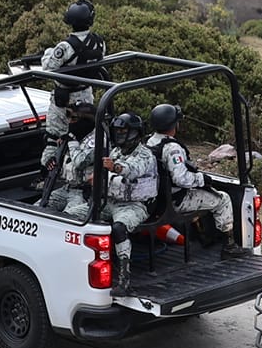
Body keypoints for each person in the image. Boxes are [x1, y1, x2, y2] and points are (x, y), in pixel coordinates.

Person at [63, 113, 156, 278]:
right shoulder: (116, 151)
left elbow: (132, 170)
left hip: (135, 205)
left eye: (124, 131)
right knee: (68, 217)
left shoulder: (145, 155)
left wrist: (115, 168)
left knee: (119, 229)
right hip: (109, 201)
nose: (120, 134)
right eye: (117, 131)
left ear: (135, 132)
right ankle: (74, 263)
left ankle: (124, 277)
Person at [147, 103, 236, 253]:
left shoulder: (149, 142)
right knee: (223, 199)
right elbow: (181, 179)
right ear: (173, 125)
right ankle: (230, 246)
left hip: (156, 199)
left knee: (199, 196)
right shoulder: (172, 148)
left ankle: (203, 236)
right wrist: (202, 178)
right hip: (175, 200)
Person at [37, 0, 108, 173]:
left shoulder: (65, 46)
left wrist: (48, 53)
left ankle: (49, 173)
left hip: (64, 99)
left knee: (54, 137)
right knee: (83, 134)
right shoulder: (99, 42)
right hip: (86, 96)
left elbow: (48, 66)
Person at [43, 102, 99, 214]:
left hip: (83, 193)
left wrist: (71, 142)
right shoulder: (72, 135)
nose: (69, 122)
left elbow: (80, 161)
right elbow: (64, 165)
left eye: (73, 118)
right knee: (38, 209)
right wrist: (52, 160)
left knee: (67, 219)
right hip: (66, 188)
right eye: (68, 117)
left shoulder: (97, 140)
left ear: (86, 121)